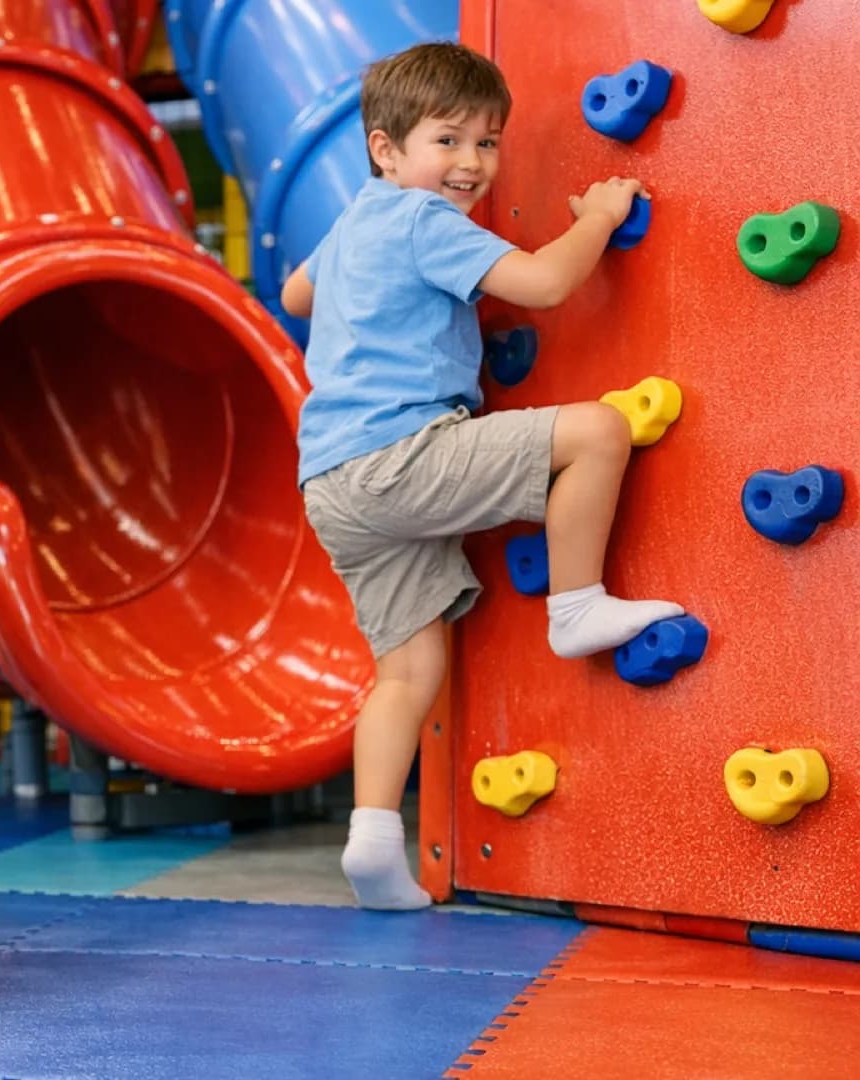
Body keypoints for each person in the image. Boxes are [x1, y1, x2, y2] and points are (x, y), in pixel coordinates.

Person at [279, 42, 683, 911]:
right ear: (387, 150)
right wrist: (601, 217)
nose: (469, 165)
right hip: (400, 455)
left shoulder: (358, 219)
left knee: (407, 670)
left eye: (487, 143)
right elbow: (540, 283)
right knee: (599, 431)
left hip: (332, 485)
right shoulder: (426, 223)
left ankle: (375, 839)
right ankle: (576, 607)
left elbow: (295, 293)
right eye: (447, 142)